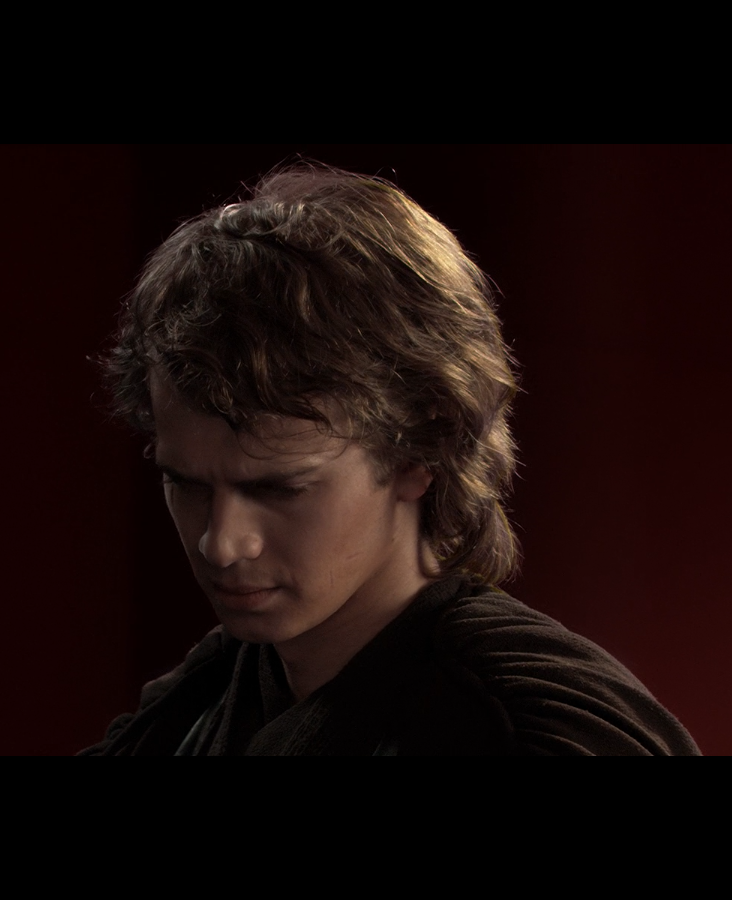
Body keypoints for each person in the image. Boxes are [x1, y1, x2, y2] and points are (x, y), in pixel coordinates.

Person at [82, 163, 699, 755]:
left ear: (418, 453)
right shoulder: (189, 711)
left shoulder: (542, 730)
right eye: (187, 484)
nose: (221, 544)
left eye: (279, 489)